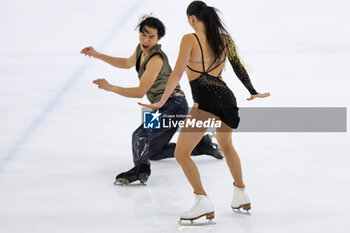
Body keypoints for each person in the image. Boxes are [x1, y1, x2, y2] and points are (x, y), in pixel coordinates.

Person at [138, 2, 270, 222]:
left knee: (181, 153)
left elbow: (178, 71)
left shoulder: (189, 39)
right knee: (227, 147)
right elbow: (238, 68)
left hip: (205, 103)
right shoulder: (225, 40)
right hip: (227, 99)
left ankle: (202, 201)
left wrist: (161, 100)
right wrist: (252, 91)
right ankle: (241, 194)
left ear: (192, 19)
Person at [81, 16, 223, 185]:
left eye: (151, 37)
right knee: (153, 151)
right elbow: (126, 63)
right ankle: (202, 147)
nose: (145, 40)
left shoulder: (156, 59)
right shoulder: (141, 50)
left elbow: (140, 92)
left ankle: (141, 170)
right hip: (162, 106)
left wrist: (111, 87)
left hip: (174, 106)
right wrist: (97, 54)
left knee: (140, 136)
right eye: (143, 35)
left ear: (159, 38)